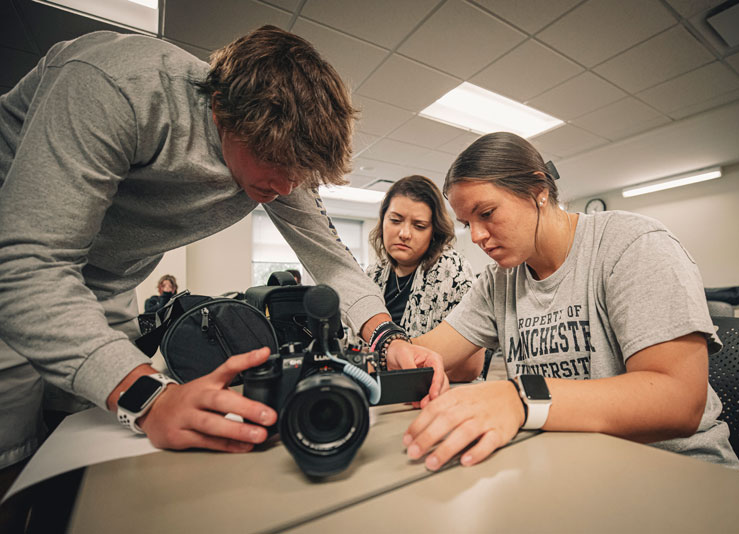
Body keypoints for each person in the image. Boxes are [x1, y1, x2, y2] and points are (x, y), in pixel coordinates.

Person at [0, 25, 445, 478]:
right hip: (17, 270)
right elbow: (26, 266)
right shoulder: (115, 87)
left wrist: (387, 337)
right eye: (275, 167)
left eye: (298, 174)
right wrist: (149, 397)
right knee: (12, 445)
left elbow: (332, 261)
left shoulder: (279, 157)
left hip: (108, 284)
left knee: (86, 435)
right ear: (219, 110)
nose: (287, 187)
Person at [402, 132, 739, 471]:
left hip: (672, 469)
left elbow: (678, 401)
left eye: (487, 213)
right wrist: (383, 345)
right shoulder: (498, 281)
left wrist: (521, 398)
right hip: (571, 467)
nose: (476, 236)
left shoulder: (633, 245)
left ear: (538, 190)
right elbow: (424, 356)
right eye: (466, 224)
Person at [366, 175, 483, 380]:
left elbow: (470, 367)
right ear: (382, 220)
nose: (404, 233)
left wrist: (387, 366)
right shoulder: (374, 273)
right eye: (395, 220)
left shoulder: (452, 270)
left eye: (419, 226)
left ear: (434, 232)